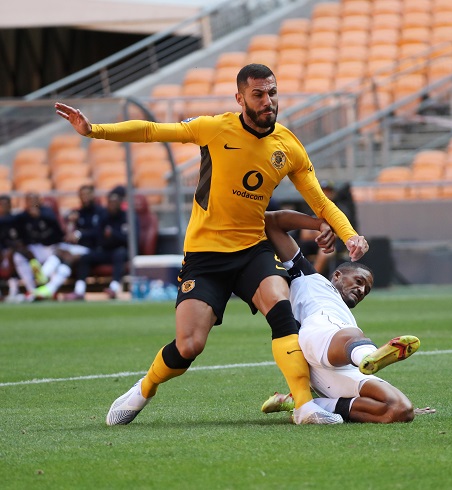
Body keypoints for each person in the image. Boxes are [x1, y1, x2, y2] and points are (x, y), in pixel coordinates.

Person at [55, 63, 369, 426]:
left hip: (253, 249)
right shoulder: (215, 128)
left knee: (281, 310)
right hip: (205, 253)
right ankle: (144, 388)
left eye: (272, 92)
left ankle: (304, 406)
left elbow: (321, 203)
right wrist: (94, 130)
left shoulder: (288, 145)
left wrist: (349, 235)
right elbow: (153, 131)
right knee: (189, 346)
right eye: (258, 94)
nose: (268, 101)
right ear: (240, 98)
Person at [260, 209, 421, 423]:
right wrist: (319, 224)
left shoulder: (345, 315)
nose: (362, 290)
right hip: (320, 337)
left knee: (400, 410)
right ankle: (368, 355)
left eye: (367, 290)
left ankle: (306, 403)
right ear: (337, 275)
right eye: (359, 281)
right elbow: (271, 221)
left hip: (331, 371)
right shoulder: (309, 277)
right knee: (351, 334)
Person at [65, 188, 130, 300]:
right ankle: (79, 290)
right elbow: (97, 235)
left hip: (121, 251)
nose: (112, 205)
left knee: (119, 254)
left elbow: (130, 238)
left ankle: (113, 288)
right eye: (110, 202)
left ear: (120, 203)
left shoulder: (127, 217)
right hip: (105, 251)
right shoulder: (104, 217)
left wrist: (113, 234)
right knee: (85, 258)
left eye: (115, 202)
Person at [12, 193, 73, 300]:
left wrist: (39, 215)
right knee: (18, 257)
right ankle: (31, 289)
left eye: (34, 200)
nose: (32, 204)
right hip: (34, 249)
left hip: (50, 247)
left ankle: (44, 281)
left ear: (39, 201)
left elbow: (58, 232)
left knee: (59, 257)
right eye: (29, 201)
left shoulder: (47, 213)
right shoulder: (22, 216)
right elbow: (16, 231)